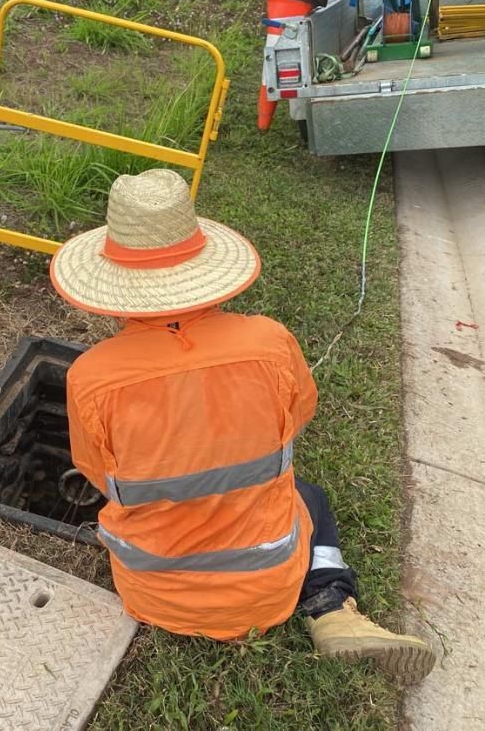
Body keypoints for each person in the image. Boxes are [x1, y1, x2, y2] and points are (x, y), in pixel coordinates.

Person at [49, 168, 435, 683]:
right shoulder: (270, 343)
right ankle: (331, 604)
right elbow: (296, 418)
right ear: (205, 266)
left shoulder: (90, 377)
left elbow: (97, 475)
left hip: (153, 589)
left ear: (114, 283)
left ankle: (323, 604)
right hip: (267, 585)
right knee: (310, 496)